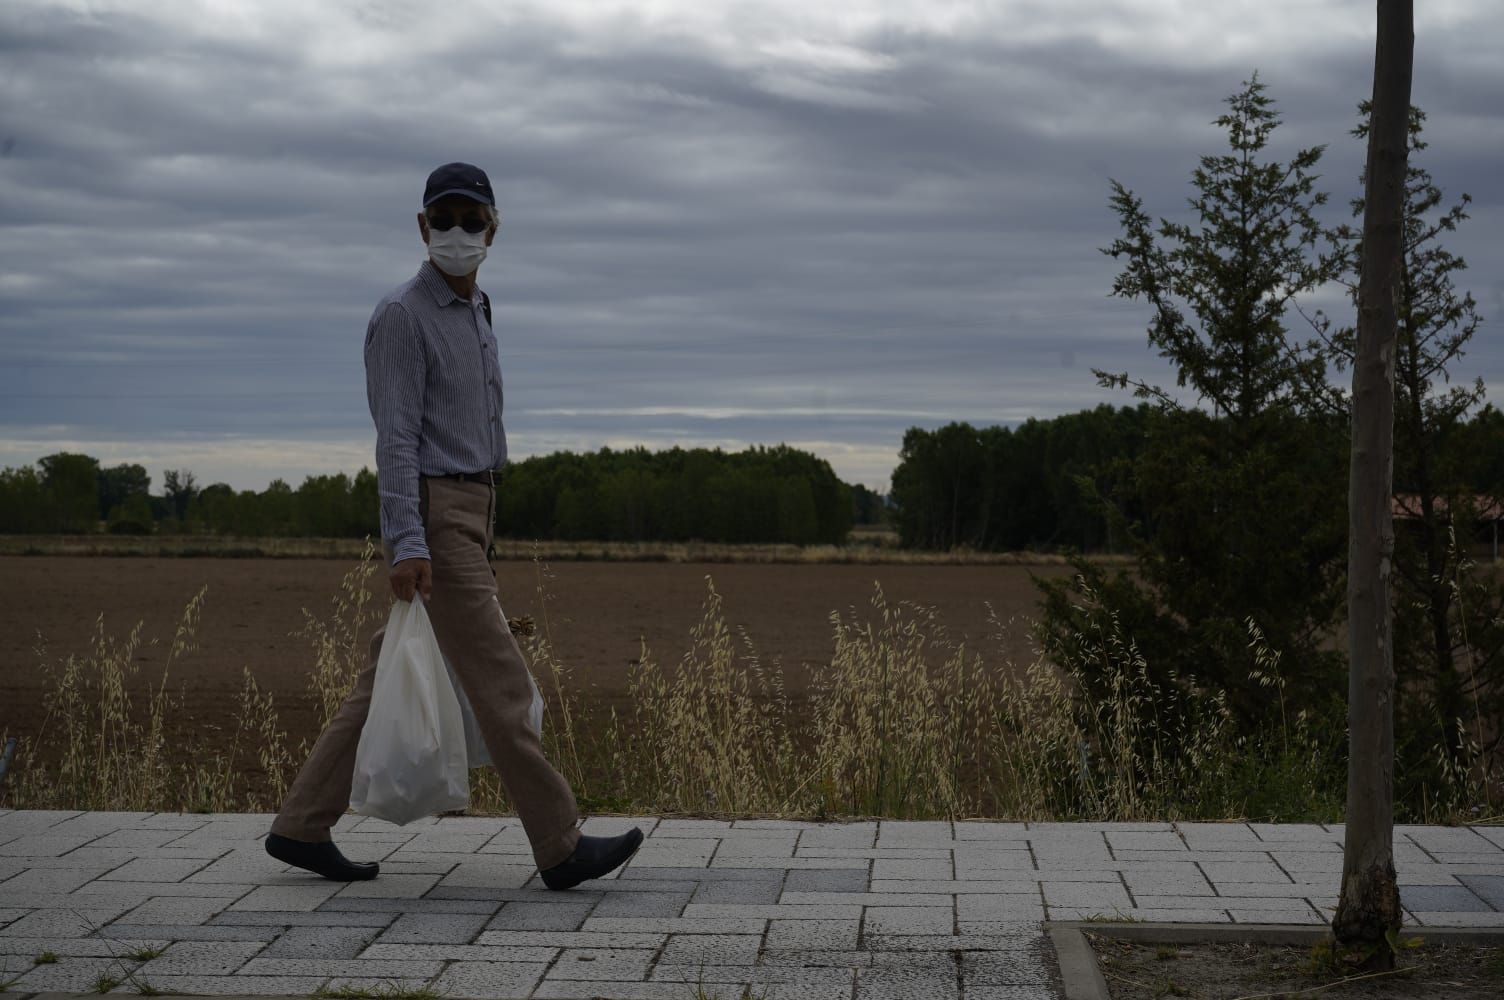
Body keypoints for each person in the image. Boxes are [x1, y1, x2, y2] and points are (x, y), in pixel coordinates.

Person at [265, 162, 641, 890]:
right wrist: (407, 541)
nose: (459, 233)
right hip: (436, 519)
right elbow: (396, 439)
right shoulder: (403, 315)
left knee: (377, 686)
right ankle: (560, 845)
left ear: (494, 229)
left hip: (471, 513)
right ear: (421, 227)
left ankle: (300, 826)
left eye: (473, 220)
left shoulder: (477, 310)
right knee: (503, 685)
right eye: (446, 220)